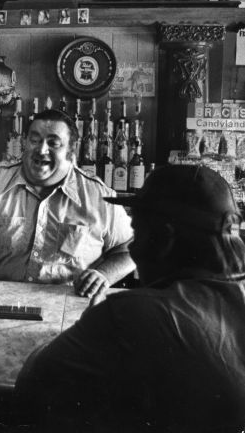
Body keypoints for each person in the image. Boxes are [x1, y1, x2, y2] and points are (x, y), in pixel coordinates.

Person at [15, 164, 245, 433]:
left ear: (165, 239)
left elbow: (30, 387)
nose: (133, 247)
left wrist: (92, 323)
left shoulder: (129, 315)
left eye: (138, 231)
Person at [0, 109, 134, 303]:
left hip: (70, 309)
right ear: (24, 143)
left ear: (71, 150)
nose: (41, 150)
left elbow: (130, 248)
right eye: (35, 140)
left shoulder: (99, 196)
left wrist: (105, 275)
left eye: (53, 143)